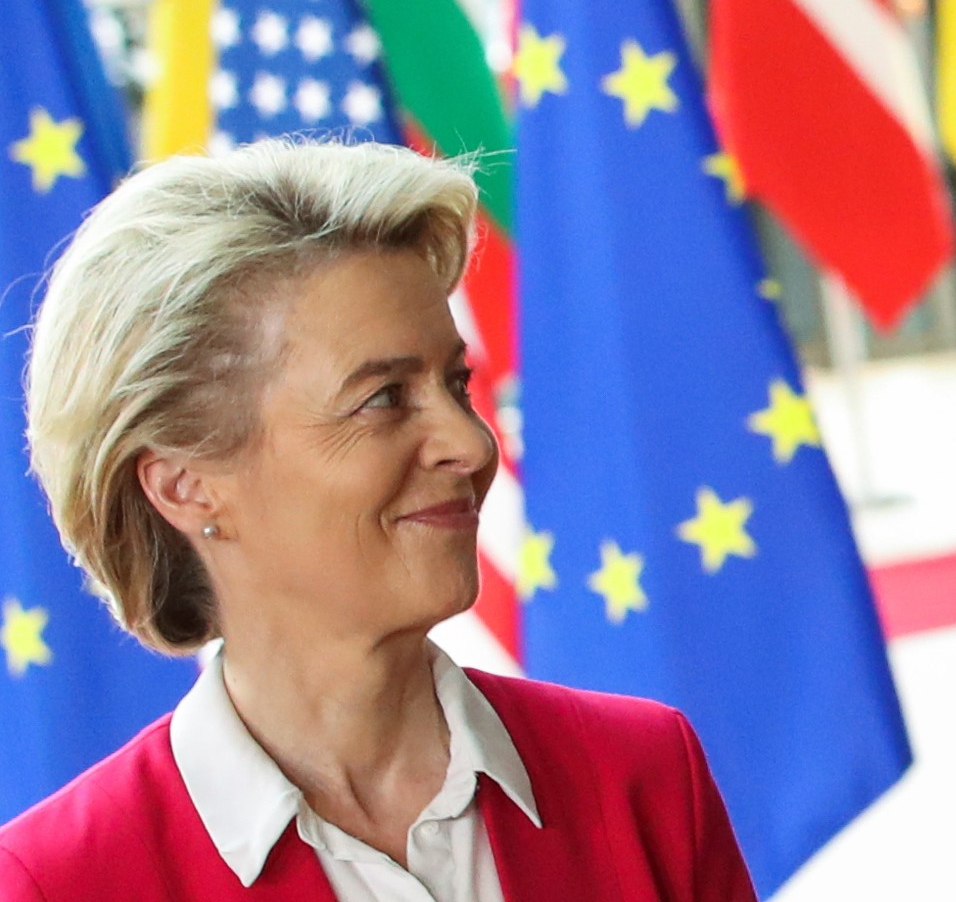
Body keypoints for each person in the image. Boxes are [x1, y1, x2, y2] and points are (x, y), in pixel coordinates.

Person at [0, 141, 757, 900]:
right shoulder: (59, 881)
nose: (471, 444)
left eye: (456, 385)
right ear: (185, 484)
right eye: (383, 398)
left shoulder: (645, 778)